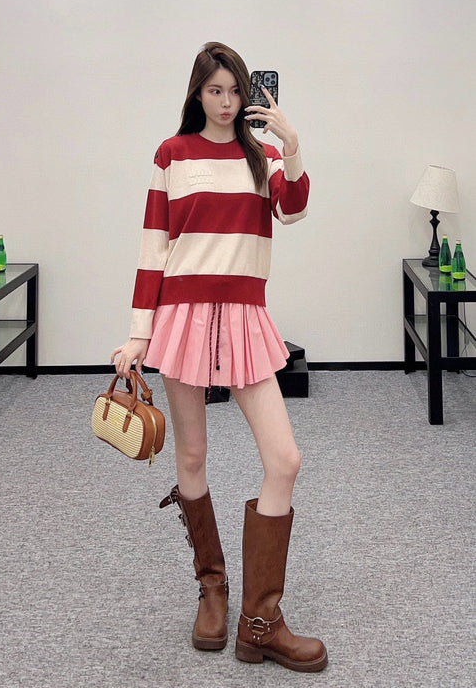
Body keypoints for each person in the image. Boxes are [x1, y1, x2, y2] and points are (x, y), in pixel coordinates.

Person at [111, 42, 328, 673]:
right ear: (198, 93)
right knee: (191, 456)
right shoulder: (172, 155)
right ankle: (213, 589)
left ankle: (260, 622)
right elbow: (154, 247)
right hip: (180, 315)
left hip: (244, 315)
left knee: (285, 459)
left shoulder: (262, 156)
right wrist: (138, 334)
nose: (228, 103)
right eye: (216, 91)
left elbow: (292, 210)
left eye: (236, 91)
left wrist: (291, 144)